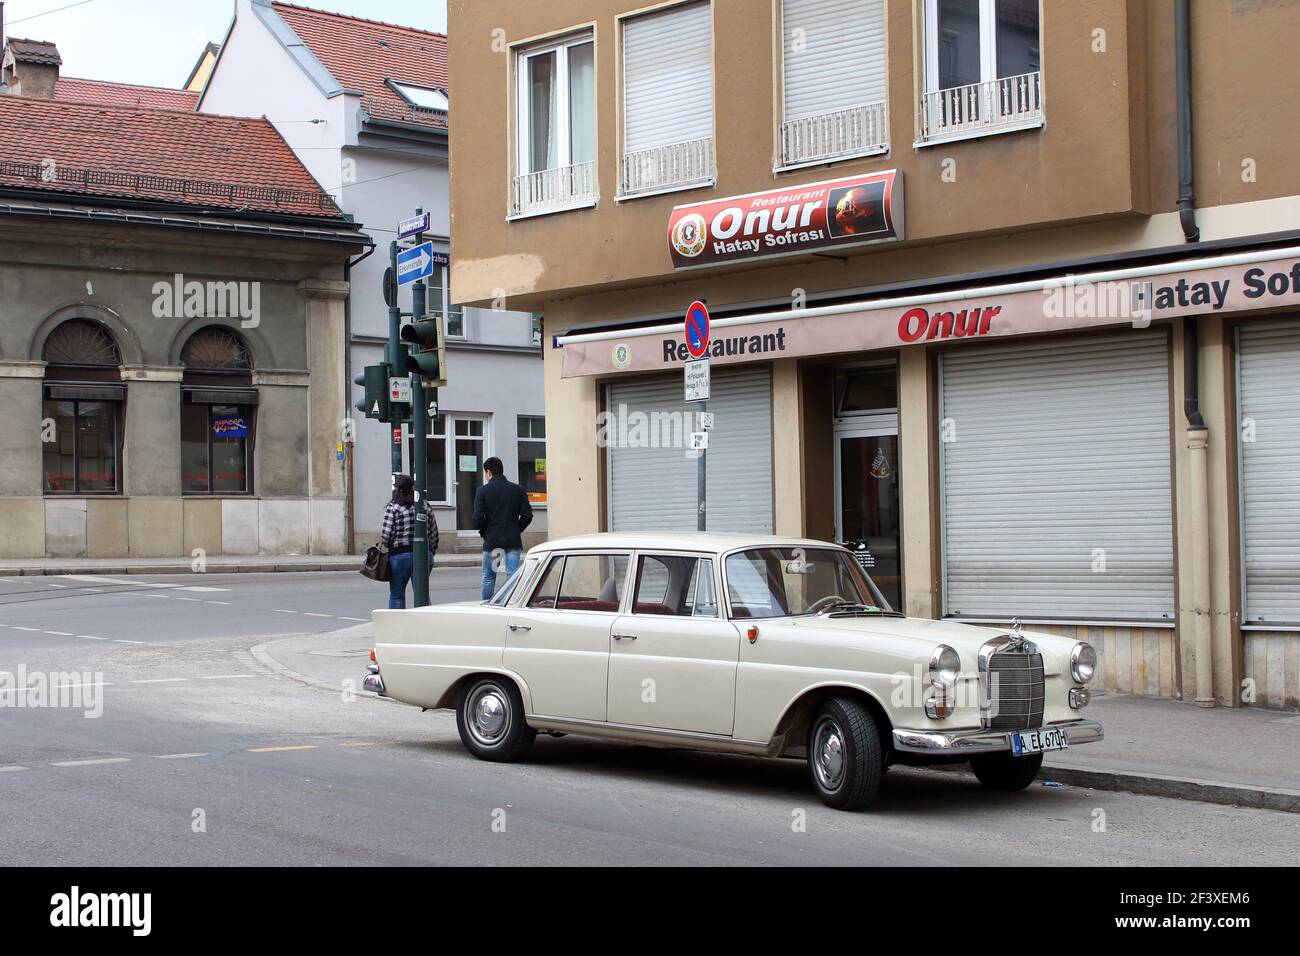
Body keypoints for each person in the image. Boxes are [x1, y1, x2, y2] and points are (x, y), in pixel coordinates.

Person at [472, 456, 533, 600]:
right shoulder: (517, 490)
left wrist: (485, 531)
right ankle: (510, 605)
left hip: (492, 541)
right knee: (512, 577)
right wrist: (517, 528)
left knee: (489, 577)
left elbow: (477, 518)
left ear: (488, 472)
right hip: (512, 540)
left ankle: (488, 607)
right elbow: (527, 516)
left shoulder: (483, 491)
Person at [379, 474, 438, 609]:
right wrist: (431, 552)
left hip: (399, 557)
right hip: (423, 555)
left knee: (397, 595)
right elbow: (434, 532)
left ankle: (396, 625)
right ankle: (426, 622)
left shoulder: (394, 507)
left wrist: (388, 548)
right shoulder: (424, 505)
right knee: (422, 594)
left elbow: (386, 535)